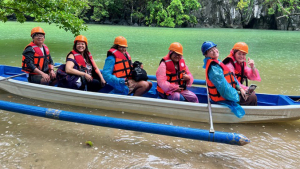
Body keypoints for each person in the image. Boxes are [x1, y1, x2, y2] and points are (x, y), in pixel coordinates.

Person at [202, 41, 245, 118]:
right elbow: (223, 88)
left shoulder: (218, 62)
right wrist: (236, 97)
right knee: (251, 98)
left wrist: (240, 88)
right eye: (211, 50)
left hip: (228, 95)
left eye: (215, 48)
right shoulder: (213, 68)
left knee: (249, 95)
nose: (215, 51)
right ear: (206, 54)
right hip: (223, 98)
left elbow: (232, 78)